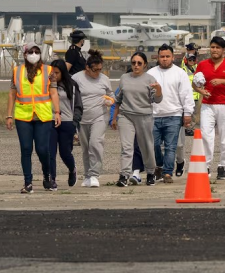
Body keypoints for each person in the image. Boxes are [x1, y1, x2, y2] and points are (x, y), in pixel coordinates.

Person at [6, 43, 61, 194]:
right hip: (23, 115)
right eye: (31, 51)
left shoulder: (48, 71)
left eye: (37, 51)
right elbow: (12, 94)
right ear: (25, 54)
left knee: (42, 149)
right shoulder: (17, 71)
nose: (34, 54)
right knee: (26, 149)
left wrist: (57, 112)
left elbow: (54, 92)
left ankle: (47, 176)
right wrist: (9, 115)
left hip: (42, 115)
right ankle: (28, 182)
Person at [194, 36, 225, 180]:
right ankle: (206, 165)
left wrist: (222, 81)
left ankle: (223, 166)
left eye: (217, 48)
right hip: (208, 105)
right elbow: (195, 83)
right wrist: (201, 91)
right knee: (206, 135)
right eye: (212, 47)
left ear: (224, 50)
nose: (214, 50)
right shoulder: (202, 64)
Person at [112, 52, 163, 187]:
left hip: (144, 116)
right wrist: (114, 117)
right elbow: (119, 98)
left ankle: (151, 172)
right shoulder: (124, 78)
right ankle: (124, 175)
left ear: (145, 65)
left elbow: (157, 99)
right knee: (127, 147)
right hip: (126, 115)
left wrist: (159, 90)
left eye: (139, 63)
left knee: (146, 145)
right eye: (133, 62)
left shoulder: (150, 79)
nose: (136, 65)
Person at [148, 44, 194, 184]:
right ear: (158, 57)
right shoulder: (150, 74)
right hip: (154, 116)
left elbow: (186, 95)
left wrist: (188, 113)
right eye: (162, 57)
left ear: (173, 57)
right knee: (154, 145)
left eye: (168, 56)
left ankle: (167, 173)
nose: (165, 59)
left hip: (174, 115)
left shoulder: (180, 73)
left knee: (171, 146)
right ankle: (159, 166)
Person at [71, 50, 113, 188]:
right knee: (86, 147)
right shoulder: (76, 78)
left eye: (101, 70)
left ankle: (95, 174)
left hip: (99, 116)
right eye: (96, 70)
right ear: (87, 68)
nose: (98, 73)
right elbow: (71, 96)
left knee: (95, 143)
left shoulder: (104, 79)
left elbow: (111, 95)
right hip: (82, 118)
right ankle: (88, 175)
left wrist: (110, 100)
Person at [48, 59, 82, 190]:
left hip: (67, 121)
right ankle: (52, 179)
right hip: (50, 120)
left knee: (65, 152)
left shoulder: (72, 85)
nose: (54, 75)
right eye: (52, 72)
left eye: (57, 73)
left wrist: (75, 122)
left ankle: (72, 169)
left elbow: (78, 105)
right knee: (50, 152)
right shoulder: (47, 84)